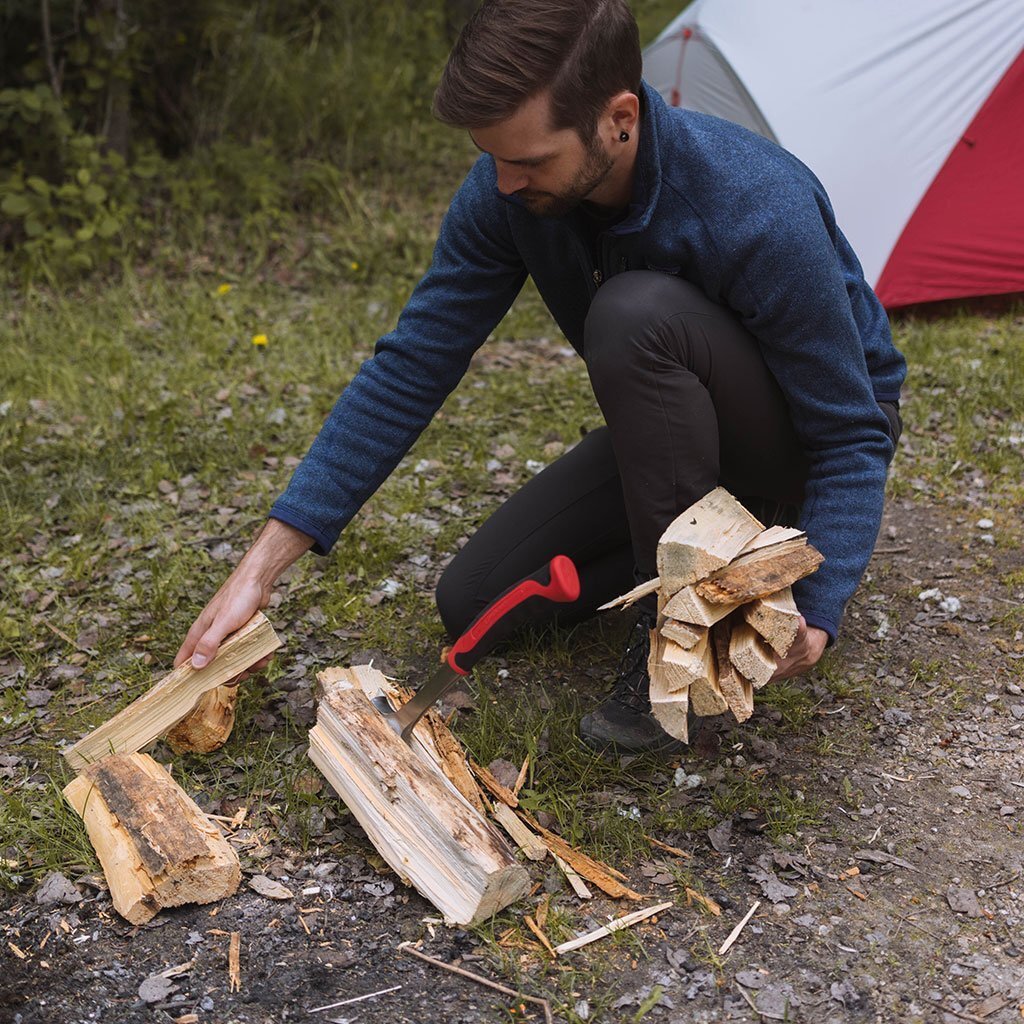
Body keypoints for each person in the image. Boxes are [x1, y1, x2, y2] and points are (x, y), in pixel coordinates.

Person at [175, 0, 906, 755]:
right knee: (476, 601)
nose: (503, 182)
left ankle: (694, 640)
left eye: (528, 160)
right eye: (492, 156)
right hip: (682, 427)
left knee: (634, 312)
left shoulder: (754, 203)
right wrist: (259, 569)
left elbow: (853, 431)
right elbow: (413, 363)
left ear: (619, 116)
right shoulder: (509, 193)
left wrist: (819, 603)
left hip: (796, 438)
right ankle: (702, 542)